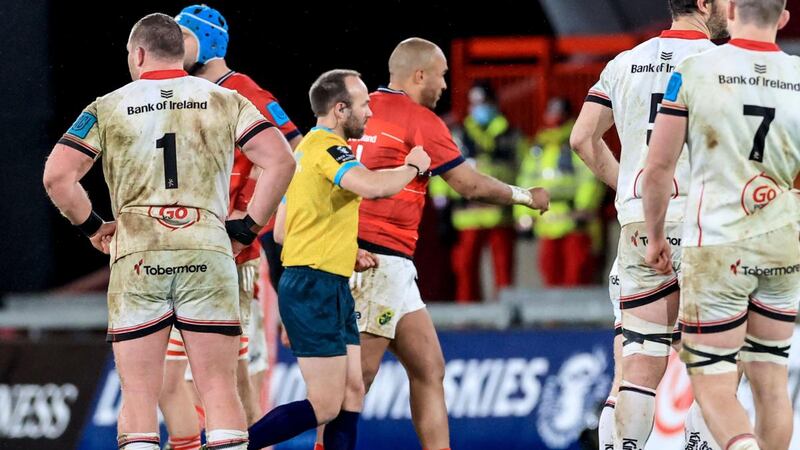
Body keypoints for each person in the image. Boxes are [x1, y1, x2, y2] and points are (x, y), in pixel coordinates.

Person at [42, 13, 295, 450]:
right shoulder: (224, 99)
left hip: (139, 251)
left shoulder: (108, 105)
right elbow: (282, 160)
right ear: (181, 52)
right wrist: (248, 227)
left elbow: (57, 177)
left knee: (140, 394)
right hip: (207, 249)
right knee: (219, 388)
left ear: (138, 54)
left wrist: (93, 227)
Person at [310, 38, 548, 450]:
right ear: (419, 75)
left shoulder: (352, 113)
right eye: (441, 75)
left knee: (429, 368)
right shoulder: (418, 119)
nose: (444, 85)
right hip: (377, 262)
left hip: (375, 260)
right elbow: (469, 184)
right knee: (355, 381)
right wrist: (525, 196)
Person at [569, 1, 728, 448]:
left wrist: (631, 193)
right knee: (713, 366)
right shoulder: (723, 63)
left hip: (642, 227)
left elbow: (582, 138)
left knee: (637, 365)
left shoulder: (625, 62)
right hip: (705, 226)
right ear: (703, 4)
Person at [246, 69, 431, 450]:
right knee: (326, 404)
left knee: (351, 394)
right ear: (340, 109)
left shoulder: (303, 152)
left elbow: (282, 231)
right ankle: (226, 446)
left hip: (327, 283)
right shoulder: (329, 148)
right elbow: (374, 186)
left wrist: (347, 250)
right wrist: (413, 166)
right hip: (314, 286)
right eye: (364, 105)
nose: (370, 113)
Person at [643, 1, 799, 449]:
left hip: (716, 245)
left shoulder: (694, 71)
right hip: (780, 243)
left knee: (712, 378)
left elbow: (658, 168)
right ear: (783, 18)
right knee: (770, 379)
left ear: (729, 11)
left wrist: (655, 236)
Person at [158, 6, 305, 448]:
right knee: (177, 383)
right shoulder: (181, 93)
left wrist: (251, 219)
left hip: (233, 262)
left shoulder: (242, 90)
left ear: (204, 41)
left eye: (181, 36)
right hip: (185, 259)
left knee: (238, 388)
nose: (172, 46)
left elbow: (296, 153)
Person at [430, 82, 521, 301]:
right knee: (465, 268)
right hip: (466, 214)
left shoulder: (511, 135)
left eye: (484, 102)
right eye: (475, 103)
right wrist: (442, 207)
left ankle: (506, 317)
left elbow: (523, 171)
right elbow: (443, 169)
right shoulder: (458, 135)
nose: (479, 107)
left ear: (494, 103)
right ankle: (468, 318)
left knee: (504, 270)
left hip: (501, 214)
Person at [518, 97, 604, 286]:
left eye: (558, 114)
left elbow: (589, 178)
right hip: (546, 224)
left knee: (577, 276)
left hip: (575, 223)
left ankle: (574, 316)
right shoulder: (539, 147)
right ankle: (553, 316)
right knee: (550, 275)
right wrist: (524, 214)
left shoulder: (577, 143)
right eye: (551, 113)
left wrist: (583, 207)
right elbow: (527, 180)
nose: (554, 118)